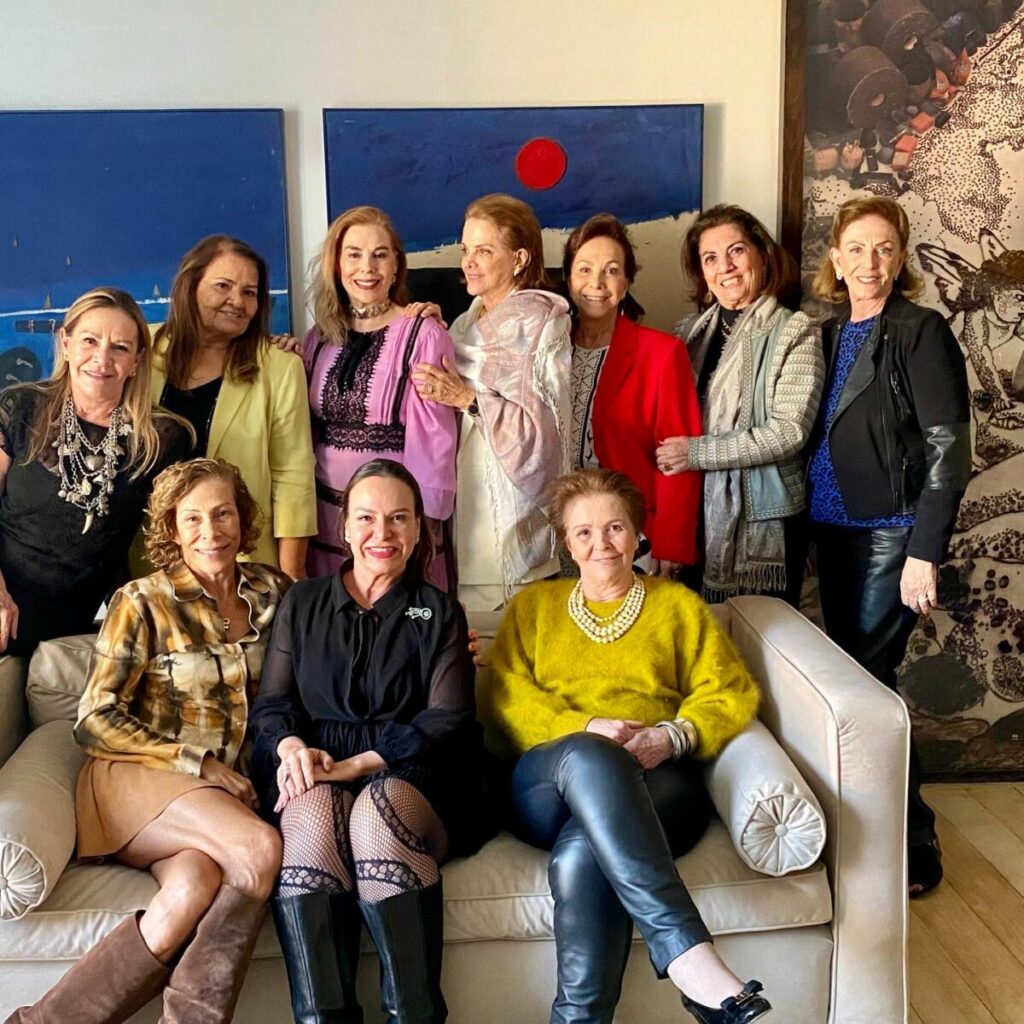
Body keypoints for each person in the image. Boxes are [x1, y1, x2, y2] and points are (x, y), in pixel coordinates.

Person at [481, 468, 771, 1024]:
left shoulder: (677, 607)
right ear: (567, 544)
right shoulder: (533, 609)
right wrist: (587, 726)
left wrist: (672, 736)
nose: (602, 543)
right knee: (591, 753)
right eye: (584, 532)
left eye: (615, 527)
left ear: (638, 534)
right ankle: (687, 955)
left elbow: (729, 690)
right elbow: (505, 697)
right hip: (546, 783)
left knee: (583, 853)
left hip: (656, 784)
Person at [5, 458, 290, 1024]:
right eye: (193, 519)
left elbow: (334, 646)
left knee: (194, 887)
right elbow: (94, 718)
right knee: (259, 850)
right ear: (172, 530)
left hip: (220, 797)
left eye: (223, 513)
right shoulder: (142, 600)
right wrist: (199, 764)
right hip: (138, 777)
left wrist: (440, 642)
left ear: (242, 518)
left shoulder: (274, 591)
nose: (211, 531)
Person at [249, 458, 491, 1024]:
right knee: (308, 820)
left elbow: (447, 722)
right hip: (320, 763)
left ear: (419, 528)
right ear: (343, 527)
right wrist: (291, 748)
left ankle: (416, 1017)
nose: (382, 532)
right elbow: (274, 706)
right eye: (366, 517)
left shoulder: (439, 611)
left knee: (375, 818)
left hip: (416, 769)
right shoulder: (301, 602)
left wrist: (359, 764)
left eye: (399, 518)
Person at [806, 195, 970, 897]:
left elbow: (949, 450)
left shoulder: (919, 330)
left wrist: (923, 553)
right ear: (836, 259)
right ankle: (880, 830)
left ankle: (910, 840)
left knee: (866, 684)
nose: (869, 262)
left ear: (900, 258)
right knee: (858, 681)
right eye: (857, 248)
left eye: (883, 248)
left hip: (890, 532)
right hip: (831, 528)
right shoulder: (826, 333)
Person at [0, 287, 191, 655]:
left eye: (119, 347)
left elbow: (172, 537)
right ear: (66, 343)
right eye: (89, 340)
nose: (101, 359)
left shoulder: (162, 439)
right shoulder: (20, 408)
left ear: (136, 360)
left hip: (72, 636)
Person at [657, 204, 824, 604]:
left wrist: (695, 453)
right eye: (710, 258)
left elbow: (788, 432)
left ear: (761, 255)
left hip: (761, 518)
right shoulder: (686, 334)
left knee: (753, 634)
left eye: (736, 251)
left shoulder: (795, 330)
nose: (725, 267)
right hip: (693, 515)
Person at [412, 193, 571, 611]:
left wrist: (466, 397)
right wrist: (433, 332)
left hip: (514, 506)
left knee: (512, 630)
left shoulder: (542, 324)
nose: (469, 262)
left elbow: (545, 433)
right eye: (466, 250)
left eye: (484, 251)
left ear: (519, 259)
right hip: (466, 498)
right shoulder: (467, 319)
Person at [303, 206, 458, 588]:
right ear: (337, 264)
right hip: (327, 522)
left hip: (392, 525)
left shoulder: (423, 334)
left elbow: (435, 440)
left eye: (380, 255)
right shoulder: (317, 339)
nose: (367, 268)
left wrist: (423, 528)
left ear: (396, 266)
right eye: (354, 255)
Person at [151, 235, 316, 576]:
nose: (237, 301)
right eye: (223, 286)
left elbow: (293, 478)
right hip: (152, 563)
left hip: (242, 564)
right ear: (190, 286)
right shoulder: (145, 353)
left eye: (249, 292)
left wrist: (290, 579)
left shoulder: (280, 367)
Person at [561, 213, 702, 578]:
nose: (596, 283)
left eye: (611, 271)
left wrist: (671, 542)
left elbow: (678, 459)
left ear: (625, 283)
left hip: (629, 538)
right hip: (558, 537)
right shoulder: (548, 348)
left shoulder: (661, 353)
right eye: (584, 269)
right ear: (569, 278)